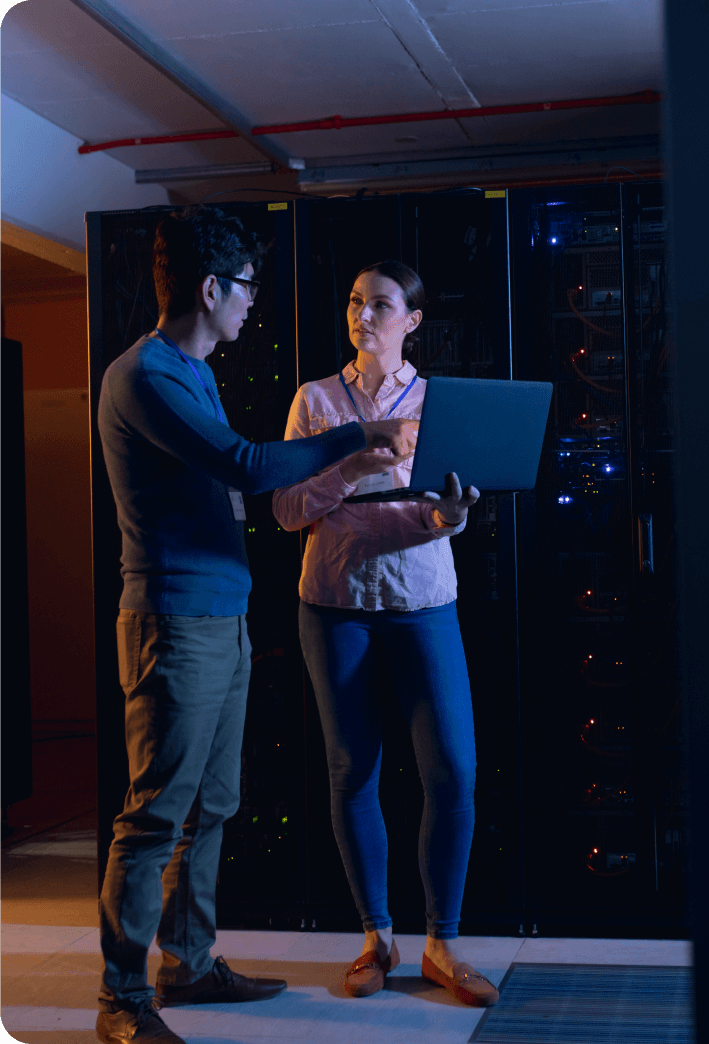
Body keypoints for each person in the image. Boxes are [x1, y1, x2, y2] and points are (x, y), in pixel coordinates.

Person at [95, 208, 417, 1044]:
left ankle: (190, 966)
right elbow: (244, 463)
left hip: (220, 617)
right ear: (210, 288)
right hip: (173, 619)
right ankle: (121, 1000)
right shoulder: (145, 377)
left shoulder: (193, 371)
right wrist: (357, 436)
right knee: (155, 815)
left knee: (213, 805)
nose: (251, 306)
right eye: (245, 289)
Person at [272, 260, 500, 1008]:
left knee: (453, 772)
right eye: (353, 302)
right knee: (352, 773)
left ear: (411, 320)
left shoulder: (440, 403)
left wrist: (448, 518)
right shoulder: (315, 400)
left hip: (423, 600)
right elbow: (286, 512)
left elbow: (436, 509)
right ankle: (377, 939)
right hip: (333, 604)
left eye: (378, 304)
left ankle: (442, 944)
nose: (361, 314)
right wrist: (350, 467)